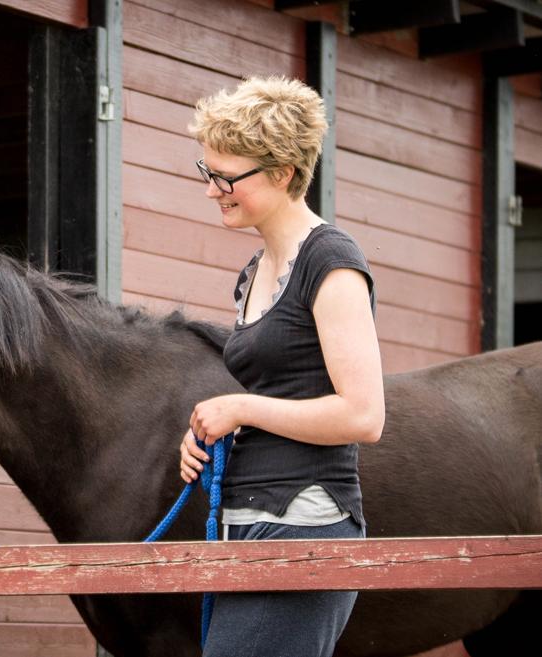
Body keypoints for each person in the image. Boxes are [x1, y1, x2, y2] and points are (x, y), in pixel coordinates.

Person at [178, 76, 386, 657]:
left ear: (284, 173)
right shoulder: (253, 271)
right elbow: (285, 396)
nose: (213, 189)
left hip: (307, 522)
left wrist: (241, 407)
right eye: (207, 171)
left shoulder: (333, 263)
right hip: (243, 521)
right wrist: (209, 436)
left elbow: (364, 415)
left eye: (226, 177)